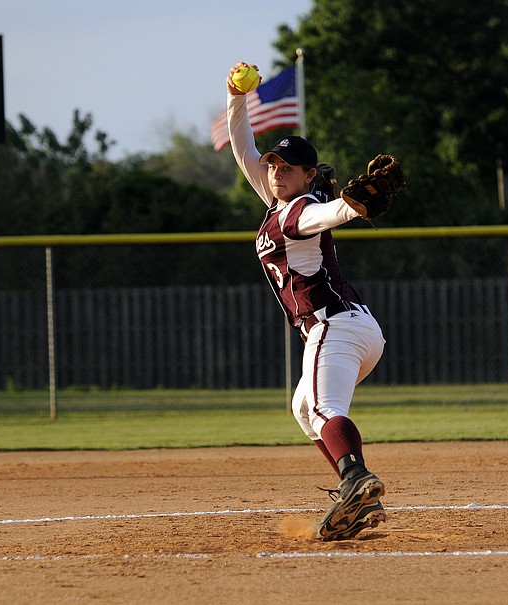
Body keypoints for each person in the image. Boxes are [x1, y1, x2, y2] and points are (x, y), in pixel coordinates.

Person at [226, 61, 387, 540]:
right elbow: (242, 146)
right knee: (304, 407)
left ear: (307, 175)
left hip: (331, 327)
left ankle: (358, 479)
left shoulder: (300, 209)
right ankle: (356, 498)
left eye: (287, 168)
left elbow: (321, 218)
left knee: (320, 409)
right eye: (273, 165)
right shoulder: (277, 198)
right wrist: (234, 96)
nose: (276, 172)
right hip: (354, 328)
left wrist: (350, 207)